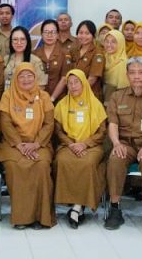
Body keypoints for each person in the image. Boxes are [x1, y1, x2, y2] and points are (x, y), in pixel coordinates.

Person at [104, 56, 142, 233]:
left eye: (140, 72)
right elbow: (113, 124)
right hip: (126, 143)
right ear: (127, 75)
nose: (137, 76)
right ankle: (115, 209)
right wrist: (116, 143)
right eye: (132, 73)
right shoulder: (117, 96)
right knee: (115, 159)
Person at [0, 62, 56, 229]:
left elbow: (49, 124)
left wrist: (36, 144)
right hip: (13, 144)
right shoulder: (8, 96)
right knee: (15, 166)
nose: (26, 79)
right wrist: (19, 145)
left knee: (42, 165)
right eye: (21, 76)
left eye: (29, 75)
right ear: (15, 79)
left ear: (35, 77)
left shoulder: (44, 96)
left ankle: (41, 217)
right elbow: (6, 123)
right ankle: (22, 218)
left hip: (40, 144)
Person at [53, 68, 107, 229]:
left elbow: (102, 131)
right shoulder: (62, 104)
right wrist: (70, 144)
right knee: (62, 160)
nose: (73, 86)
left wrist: (85, 144)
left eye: (76, 82)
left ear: (84, 83)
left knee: (87, 163)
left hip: (91, 146)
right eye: (70, 83)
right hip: (68, 145)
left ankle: (77, 207)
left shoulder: (95, 104)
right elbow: (58, 130)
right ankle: (75, 205)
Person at [0, 26, 46, 96]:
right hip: (8, 99)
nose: (19, 43)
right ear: (11, 42)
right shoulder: (6, 59)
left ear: (27, 41)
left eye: (22, 39)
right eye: (15, 39)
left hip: (28, 100)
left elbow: (41, 86)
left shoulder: (35, 61)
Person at [34, 19, 70, 98]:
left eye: (53, 32)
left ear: (57, 34)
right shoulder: (34, 54)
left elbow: (64, 79)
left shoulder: (65, 54)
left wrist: (52, 98)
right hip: (37, 98)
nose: (49, 35)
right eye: (46, 32)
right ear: (41, 34)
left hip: (58, 99)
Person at [70, 20, 105, 98]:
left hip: (90, 95)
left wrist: (79, 93)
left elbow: (92, 79)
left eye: (87, 33)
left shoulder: (98, 53)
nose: (83, 36)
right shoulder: (74, 50)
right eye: (81, 33)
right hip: (73, 93)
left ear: (93, 35)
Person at [101, 29, 129, 101]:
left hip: (116, 101)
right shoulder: (103, 58)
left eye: (113, 42)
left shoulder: (124, 63)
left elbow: (123, 91)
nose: (109, 45)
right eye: (107, 41)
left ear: (120, 43)